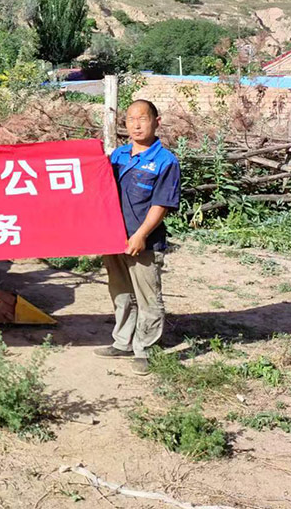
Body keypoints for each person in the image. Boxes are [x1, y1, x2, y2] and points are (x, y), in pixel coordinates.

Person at [95, 99, 181, 376]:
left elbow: (162, 204)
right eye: (131, 119)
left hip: (143, 242)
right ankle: (122, 342)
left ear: (157, 121)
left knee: (148, 298)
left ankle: (145, 349)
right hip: (114, 238)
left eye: (142, 118)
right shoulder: (118, 156)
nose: (136, 124)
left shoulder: (165, 161)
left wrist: (141, 235)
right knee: (121, 293)